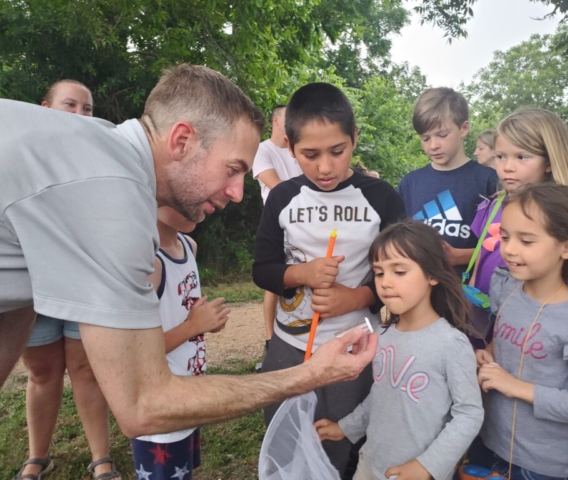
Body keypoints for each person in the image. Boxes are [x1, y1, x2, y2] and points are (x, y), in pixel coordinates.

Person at [0, 64, 378, 444]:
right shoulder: (115, 198)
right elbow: (144, 405)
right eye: (233, 169)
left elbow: (16, 282)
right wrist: (310, 374)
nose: (237, 193)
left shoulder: (99, 148)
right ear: (181, 141)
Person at [252, 82, 406, 477]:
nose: (324, 167)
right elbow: (262, 269)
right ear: (289, 147)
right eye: (310, 154)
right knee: (288, 439)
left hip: (355, 348)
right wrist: (301, 273)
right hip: (290, 347)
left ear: (354, 139)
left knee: (342, 440)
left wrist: (354, 298)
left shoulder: (381, 197)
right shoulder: (284, 198)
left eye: (337, 151)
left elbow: (406, 272)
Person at [472, 183, 568, 480]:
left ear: (567, 247)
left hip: (541, 466)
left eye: (526, 241)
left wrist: (516, 387)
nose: (509, 249)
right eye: (504, 237)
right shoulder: (507, 289)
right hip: (487, 444)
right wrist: (487, 356)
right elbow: (502, 343)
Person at [314, 220, 484, 480]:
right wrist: (346, 428)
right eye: (380, 273)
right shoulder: (383, 334)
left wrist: (427, 466)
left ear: (432, 275)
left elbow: (469, 413)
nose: (385, 283)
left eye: (399, 272)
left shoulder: (451, 343)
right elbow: (382, 394)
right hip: (370, 463)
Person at [13, 79, 120, 480]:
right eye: (70, 105)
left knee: (87, 371)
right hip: (31, 288)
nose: (80, 115)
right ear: (44, 108)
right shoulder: (19, 156)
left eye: (87, 109)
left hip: (81, 283)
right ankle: (37, 456)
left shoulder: (101, 161)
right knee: (42, 373)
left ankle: (101, 459)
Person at [467, 109, 568, 346]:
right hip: (485, 324)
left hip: (539, 334)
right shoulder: (489, 205)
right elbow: (480, 259)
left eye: (522, 157)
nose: (507, 167)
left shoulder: (564, 212)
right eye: (500, 156)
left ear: (549, 161)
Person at [131, 206, 230, 479]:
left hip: (188, 393)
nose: (200, 204)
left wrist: (205, 323)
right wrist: (193, 326)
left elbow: (182, 312)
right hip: (162, 405)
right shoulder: (148, 262)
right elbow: (136, 351)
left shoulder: (189, 245)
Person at [398, 87, 498, 272]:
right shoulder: (410, 183)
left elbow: (504, 248)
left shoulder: (489, 180)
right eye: (425, 138)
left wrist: (460, 256)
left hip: (470, 294)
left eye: (442, 135)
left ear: (464, 128)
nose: (433, 145)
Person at [251, 105, 303, 364]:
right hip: (276, 225)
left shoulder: (298, 151)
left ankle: (302, 334)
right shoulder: (262, 150)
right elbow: (278, 188)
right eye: (289, 119)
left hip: (304, 225)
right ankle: (271, 341)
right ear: (275, 121)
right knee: (275, 280)